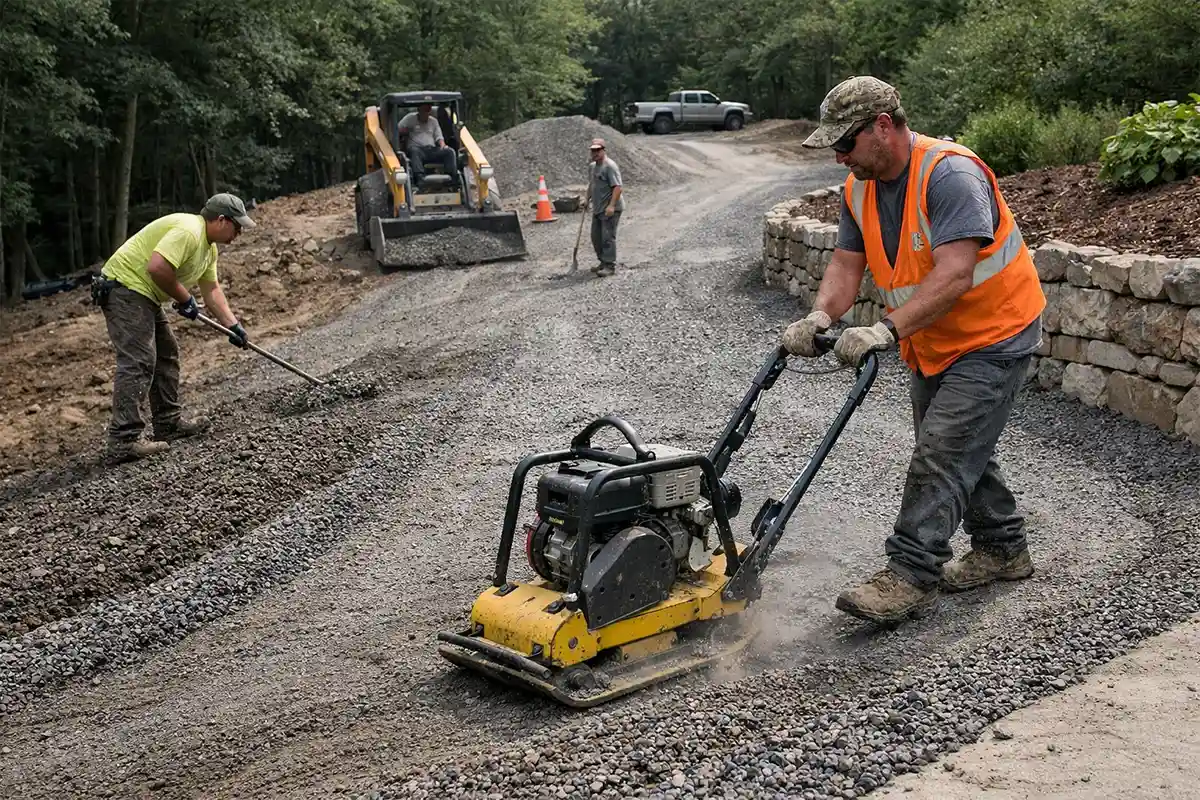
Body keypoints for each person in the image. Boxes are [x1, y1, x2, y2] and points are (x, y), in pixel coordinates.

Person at [782, 76, 1045, 624]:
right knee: (955, 443)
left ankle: (910, 573)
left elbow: (954, 274)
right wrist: (820, 314)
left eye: (845, 143)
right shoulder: (860, 188)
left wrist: (884, 330)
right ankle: (1002, 549)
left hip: (994, 333)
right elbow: (845, 266)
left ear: (883, 127)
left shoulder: (949, 175)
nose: (838, 156)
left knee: (942, 452)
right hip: (933, 339)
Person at [92, 193, 256, 465]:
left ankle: (167, 424)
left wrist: (233, 326)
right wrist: (184, 298)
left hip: (144, 294)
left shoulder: (208, 248)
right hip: (124, 288)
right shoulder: (189, 231)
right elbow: (157, 267)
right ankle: (124, 440)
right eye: (236, 226)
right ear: (221, 220)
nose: (238, 233)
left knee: (166, 354)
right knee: (139, 359)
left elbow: (212, 290)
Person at [398, 103, 459, 192]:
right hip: (417, 149)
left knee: (450, 152)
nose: (426, 114)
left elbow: (439, 136)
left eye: (428, 111)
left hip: (431, 149)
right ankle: (420, 179)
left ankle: (452, 180)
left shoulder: (433, 121)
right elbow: (398, 128)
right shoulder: (410, 118)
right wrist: (404, 131)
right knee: (415, 151)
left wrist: (443, 145)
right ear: (419, 110)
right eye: (424, 111)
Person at [586, 138, 623, 277]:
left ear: (603, 150)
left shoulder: (610, 166)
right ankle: (602, 261)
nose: (594, 153)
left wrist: (611, 206)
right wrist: (586, 199)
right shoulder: (592, 167)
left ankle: (609, 265)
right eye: (592, 150)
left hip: (610, 208)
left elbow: (618, 188)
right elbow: (592, 184)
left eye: (597, 150)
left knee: (607, 237)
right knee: (595, 236)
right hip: (598, 208)